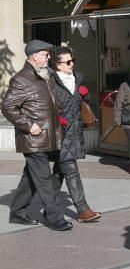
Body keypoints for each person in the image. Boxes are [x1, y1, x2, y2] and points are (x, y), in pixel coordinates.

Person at [2, 40, 72, 231]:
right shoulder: (21, 79)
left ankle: (17, 211)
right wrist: (28, 125)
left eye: (48, 55)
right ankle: (55, 217)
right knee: (44, 178)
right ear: (33, 56)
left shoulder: (46, 76)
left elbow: (53, 105)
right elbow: (8, 106)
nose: (48, 58)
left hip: (52, 136)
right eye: (45, 55)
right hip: (34, 138)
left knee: (32, 177)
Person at [49, 46, 102, 223]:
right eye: (68, 62)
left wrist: (84, 96)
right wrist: (58, 120)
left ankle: (48, 206)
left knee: (59, 173)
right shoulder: (50, 83)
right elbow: (46, 108)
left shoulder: (76, 80)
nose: (72, 64)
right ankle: (83, 209)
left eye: (73, 61)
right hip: (61, 134)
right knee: (71, 171)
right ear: (57, 65)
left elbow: (79, 106)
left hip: (75, 134)